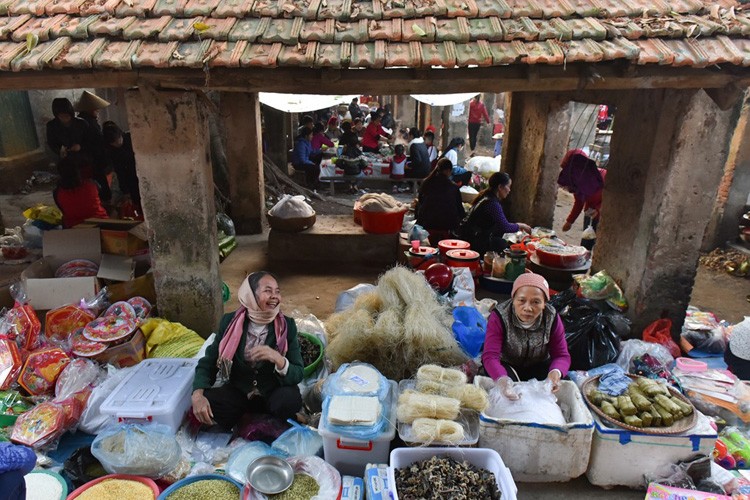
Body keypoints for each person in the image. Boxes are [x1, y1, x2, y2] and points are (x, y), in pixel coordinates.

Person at [191, 272, 304, 431]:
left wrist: (278, 359)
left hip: (271, 391)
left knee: (288, 401)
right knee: (209, 403)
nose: (275, 296)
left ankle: (260, 416)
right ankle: (254, 416)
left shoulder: (287, 325)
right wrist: (197, 395)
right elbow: (208, 363)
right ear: (250, 294)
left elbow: (298, 372)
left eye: (277, 291)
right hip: (240, 392)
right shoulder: (230, 322)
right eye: (268, 291)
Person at [482, 273, 571, 397]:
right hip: (508, 365)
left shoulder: (551, 318)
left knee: (561, 381)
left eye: (536, 302)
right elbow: (490, 356)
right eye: (521, 300)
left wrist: (555, 372)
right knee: (504, 390)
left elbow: (561, 355)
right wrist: (502, 380)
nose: (528, 308)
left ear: (544, 303)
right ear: (513, 299)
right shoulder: (500, 316)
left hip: (538, 365)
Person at [460, 172, 531, 255]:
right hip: (474, 240)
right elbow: (505, 227)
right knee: (505, 246)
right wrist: (521, 225)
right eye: (508, 186)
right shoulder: (492, 203)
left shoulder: (487, 197)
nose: (509, 190)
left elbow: (500, 223)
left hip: (471, 236)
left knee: (501, 241)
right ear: (500, 187)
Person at [557, 149, 606, 247]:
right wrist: (569, 221)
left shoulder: (603, 177)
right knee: (586, 242)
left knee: (600, 244)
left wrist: (598, 210)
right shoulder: (577, 182)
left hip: (603, 216)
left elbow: (610, 200)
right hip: (590, 213)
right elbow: (579, 202)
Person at [416, 158, 465, 240]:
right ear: (448, 171)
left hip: (426, 222)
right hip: (446, 226)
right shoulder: (453, 187)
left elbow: (420, 202)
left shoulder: (426, 182)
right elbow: (460, 209)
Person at [53, 156, 109, 228]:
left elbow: (63, 211)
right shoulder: (92, 184)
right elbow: (101, 197)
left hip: (75, 228)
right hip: (101, 223)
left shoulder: (57, 193)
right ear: (77, 171)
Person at [102, 121, 141, 218]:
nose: (117, 143)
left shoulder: (132, 139)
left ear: (120, 134)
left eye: (118, 139)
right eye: (113, 143)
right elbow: (119, 171)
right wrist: (125, 191)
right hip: (130, 178)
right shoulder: (112, 151)